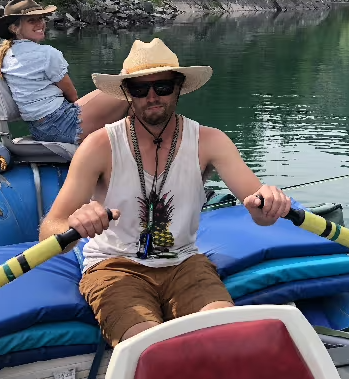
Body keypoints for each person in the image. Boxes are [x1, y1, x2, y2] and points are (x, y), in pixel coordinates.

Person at [39, 37, 292, 347]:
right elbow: (50, 231)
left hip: (185, 263)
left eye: (162, 87)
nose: (151, 97)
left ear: (179, 86)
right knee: (148, 350)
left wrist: (268, 203)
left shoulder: (210, 142)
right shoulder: (99, 146)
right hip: (114, 266)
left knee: (224, 338)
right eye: (139, 89)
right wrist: (76, 226)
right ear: (127, 93)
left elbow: (261, 213)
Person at [0, 0, 129, 144]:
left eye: (41, 18)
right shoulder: (47, 53)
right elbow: (71, 95)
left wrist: (28, 101)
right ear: (14, 28)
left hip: (38, 129)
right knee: (128, 87)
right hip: (64, 125)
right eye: (32, 20)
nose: (40, 24)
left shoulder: (1, 58)